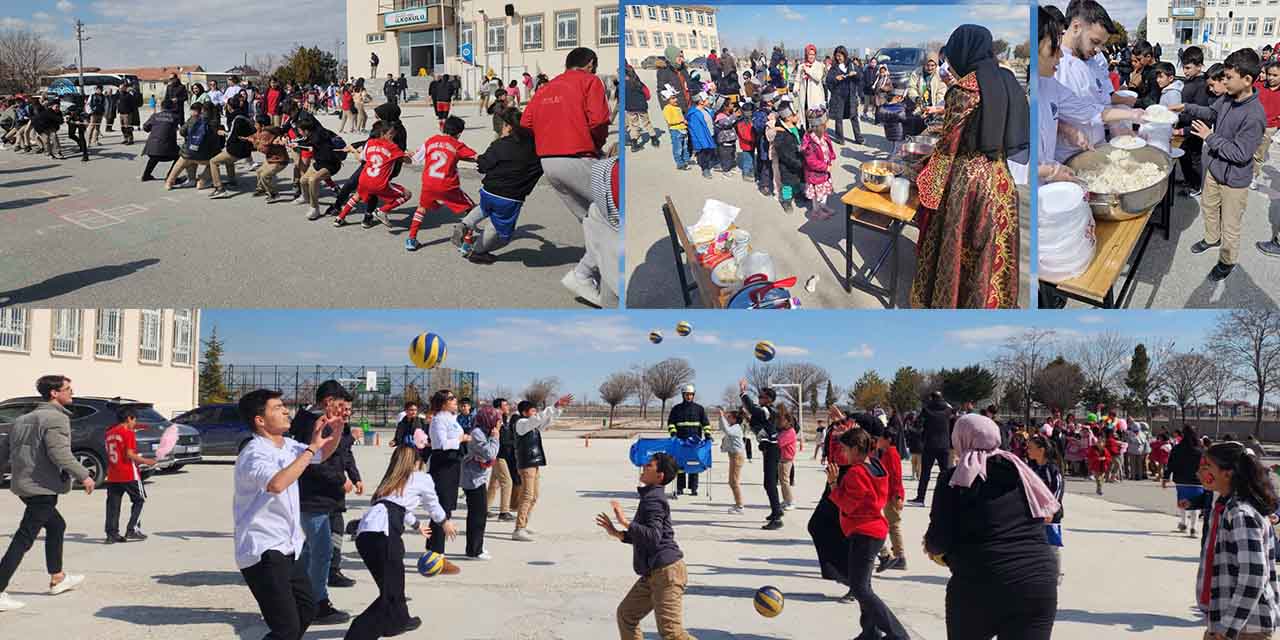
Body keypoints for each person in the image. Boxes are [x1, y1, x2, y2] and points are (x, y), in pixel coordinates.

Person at [912, 24, 1028, 309]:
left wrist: (925, 181)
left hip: (969, 186)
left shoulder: (964, 90)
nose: (951, 66)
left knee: (960, 248)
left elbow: (947, 147)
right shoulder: (1008, 80)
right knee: (994, 250)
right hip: (1002, 180)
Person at [924, 414, 1061, 639]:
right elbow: (1052, 512)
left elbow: (937, 542)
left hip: (980, 582)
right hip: (1038, 582)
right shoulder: (1021, 471)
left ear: (960, 439)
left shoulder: (954, 480)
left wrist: (934, 548)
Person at [233, 389, 341, 639]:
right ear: (260, 420)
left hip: (289, 544)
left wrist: (335, 431)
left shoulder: (289, 445)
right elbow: (276, 484)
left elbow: (321, 455)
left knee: (306, 610)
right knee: (286, 628)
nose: (285, 411)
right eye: (277, 407)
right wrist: (312, 449)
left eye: (284, 406)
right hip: (263, 549)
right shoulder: (254, 453)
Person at [520, 47, 612, 306]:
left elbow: (526, 122)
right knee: (613, 213)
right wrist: (595, 144)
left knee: (590, 218)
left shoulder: (546, 87)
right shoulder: (589, 81)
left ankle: (597, 272)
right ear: (590, 64)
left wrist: (551, 132)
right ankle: (584, 274)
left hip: (549, 163)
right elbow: (599, 121)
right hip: (578, 157)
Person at [1171, 48, 1267, 281]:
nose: (1224, 81)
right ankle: (1212, 238)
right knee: (1209, 207)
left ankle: (1227, 261)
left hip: (1234, 179)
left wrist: (1209, 138)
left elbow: (1241, 154)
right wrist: (1186, 108)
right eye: (1223, 76)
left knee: (1231, 226)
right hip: (1215, 169)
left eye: (1228, 77)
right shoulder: (1228, 97)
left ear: (1247, 80)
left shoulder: (1254, 115)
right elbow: (1211, 113)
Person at [344, 446, 457, 640]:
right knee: (391, 592)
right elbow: (432, 504)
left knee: (392, 585)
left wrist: (417, 525)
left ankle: (398, 621)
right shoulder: (421, 478)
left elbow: (396, 507)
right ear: (416, 462)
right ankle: (357, 635)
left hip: (366, 535)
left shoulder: (390, 480)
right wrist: (444, 521)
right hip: (384, 534)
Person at [0, 375, 92, 612]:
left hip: (24, 485)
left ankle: (58, 577)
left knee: (56, 526)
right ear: (53, 393)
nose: (72, 392)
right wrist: (84, 474)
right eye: (67, 389)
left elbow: (4, 451)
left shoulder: (22, 419)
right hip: (41, 487)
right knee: (24, 538)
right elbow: (60, 453)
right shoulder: (55, 419)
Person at [596, 452, 692, 640]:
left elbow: (653, 537)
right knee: (627, 615)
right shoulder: (651, 497)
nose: (644, 467)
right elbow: (647, 537)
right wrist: (618, 534)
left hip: (667, 573)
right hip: (653, 573)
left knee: (672, 634)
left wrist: (626, 522)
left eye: (649, 465)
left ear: (660, 476)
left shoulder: (654, 500)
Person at [826, 427, 909, 639]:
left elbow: (847, 504)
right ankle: (870, 632)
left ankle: (898, 635)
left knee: (860, 589)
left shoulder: (856, 473)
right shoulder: (875, 464)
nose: (842, 454)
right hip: (873, 530)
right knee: (864, 586)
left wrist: (834, 484)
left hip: (865, 533)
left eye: (845, 449)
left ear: (855, 448)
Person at [287, 381, 356, 626]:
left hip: (320, 497)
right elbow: (314, 462)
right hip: (313, 497)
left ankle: (301, 597)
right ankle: (317, 603)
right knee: (321, 552)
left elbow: (337, 455)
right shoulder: (314, 424)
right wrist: (340, 480)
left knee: (309, 550)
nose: (344, 411)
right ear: (327, 402)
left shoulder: (313, 420)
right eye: (340, 405)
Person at [1196, 441, 1280, 640]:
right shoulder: (1226, 506)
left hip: (1245, 628)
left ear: (1228, 473)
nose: (1202, 471)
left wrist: (1228, 629)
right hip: (1228, 623)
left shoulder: (1241, 513)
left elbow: (1253, 575)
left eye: (1208, 466)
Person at [457, 108, 544, 264]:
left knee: (485, 207)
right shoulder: (535, 146)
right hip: (510, 197)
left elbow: (483, 165)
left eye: (503, 126)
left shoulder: (499, 145)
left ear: (509, 127)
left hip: (488, 190)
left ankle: (466, 223)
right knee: (500, 232)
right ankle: (477, 251)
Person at [406, 115, 477, 251]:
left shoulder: (430, 141)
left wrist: (405, 156)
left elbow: (415, 159)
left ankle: (411, 239)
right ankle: (467, 243)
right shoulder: (457, 145)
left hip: (429, 183)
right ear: (459, 133)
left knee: (422, 208)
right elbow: (474, 157)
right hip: (448, 185)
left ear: (443, 128)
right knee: (472, 210)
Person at [512, 394, 573, 541]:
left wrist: (558, 408)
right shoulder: (521, 423)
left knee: (534, 496)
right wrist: (553, 406)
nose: (535, 413)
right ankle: (518, 529)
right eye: (533, 411)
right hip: (526, 464)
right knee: (527, 496)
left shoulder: (531, 425)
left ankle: (524, 525)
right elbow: (538, 419)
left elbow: (545, 421)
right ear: (525, 412)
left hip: (534, 463)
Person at [333, 121, 414, 228]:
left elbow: (361, 158)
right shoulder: (393, 147)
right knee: (407, 194)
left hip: (365, 178)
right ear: (383, 134)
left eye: (394, 133)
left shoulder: (370, 142)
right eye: (391, 133)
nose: (393, 136)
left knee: (357, 196)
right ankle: (382, 210)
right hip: (379, 182)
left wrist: (353, 150)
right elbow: (409, 161)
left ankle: (339, 218)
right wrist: (406, 155)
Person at [425, 389, 469, 555]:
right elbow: (442, 444)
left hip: (453, 464)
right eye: (451, 398)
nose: (455, 400)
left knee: (447, 506)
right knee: (442, 508)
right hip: (443, 464)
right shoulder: (438, 420)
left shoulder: (452, 418)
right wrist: (460, 439)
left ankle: (432, 548)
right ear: (443, 403)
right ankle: (437, 553)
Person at [103, 407, 156, 544]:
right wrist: (147, 461)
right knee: (139, 499)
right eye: (134, 419)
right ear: (129, 418)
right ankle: (132, 529)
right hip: (129, 473)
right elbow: (130, 454)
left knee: (113, 504)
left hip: (113, 474)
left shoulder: (109, 433)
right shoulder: (128, 433)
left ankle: (111, 533)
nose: (134, 423)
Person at [739, 379, 783, 529]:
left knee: (769, 483)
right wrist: (746, 417)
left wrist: (743, 392)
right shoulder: (765, 411)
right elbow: (754, 422)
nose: (759, 398)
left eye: (761, 397)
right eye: (759, 397)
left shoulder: (768, 410)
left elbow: (753, 409)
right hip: (768, 449)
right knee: (768, 483)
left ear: (769, 399)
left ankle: (777, 518)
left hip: (772, 449)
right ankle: (776, 511)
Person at [461, 406, 501, 560]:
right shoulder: (477, 433)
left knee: (479, 513)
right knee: (477, 515)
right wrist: (495, 437)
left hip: (478, 477)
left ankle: (476, 546)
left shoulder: (483, 431)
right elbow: (490, 453)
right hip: (472, 479)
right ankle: (473, 550)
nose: (498, 423)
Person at [166, 103, 227, 197]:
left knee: (183, 160)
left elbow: (182, 132)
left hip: (189, 153)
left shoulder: (193, 119)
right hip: (206, 156)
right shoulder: (216, 124)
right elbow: (220, 143)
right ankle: (202, 182)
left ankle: (170, 182)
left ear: (201, 110)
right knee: (214, 162)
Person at [909, 391, 954, 506]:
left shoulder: (927, 409)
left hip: (930, 444)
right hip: (944, 445)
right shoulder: (948, 411)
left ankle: (920, 498)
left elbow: (917, 424)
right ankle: (949, 498)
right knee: (945, 473)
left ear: (931, 398)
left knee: (925, 473)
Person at [667, 385, 710, 498]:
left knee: (693, 464)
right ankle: (680, 488)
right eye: (687, 394)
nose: (689, 396)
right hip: (680, 441)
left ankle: (693, 488)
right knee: (680, 465)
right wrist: (673, 433)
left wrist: (707, 434)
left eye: (691, 394)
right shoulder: (676, 409)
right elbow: (671, 423)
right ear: (683, 395)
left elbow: (705, 423)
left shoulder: (699, 409)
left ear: (693, 395)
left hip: (695, 442)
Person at [874, 426, 907, 573]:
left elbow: (896, 477)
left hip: (892, 496)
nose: (878, 441)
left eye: (881, 439)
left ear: (888, 440)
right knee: (891, 526)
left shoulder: (892, 454)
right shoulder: (887, 453)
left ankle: (900, 557)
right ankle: (898, 555)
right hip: (887, 494)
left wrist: (898, 496)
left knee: (893, 526)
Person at [1165, 425, 1206, 536]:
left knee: (1182, 502)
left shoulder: (1177, 448)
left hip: (1181, 480)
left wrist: (1166, 477)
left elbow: (1170, 463)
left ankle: (1183, 524)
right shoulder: (1200, 450)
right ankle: (1193, 528)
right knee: (1195, 505)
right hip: (1197, 481)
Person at [241, 114, 291, 201]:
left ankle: (273, 193)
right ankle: (261, 188)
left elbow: (264, 149)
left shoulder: (266, 133)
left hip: (279, 160)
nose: (255, 125)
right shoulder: (264, 131)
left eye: (256, 123)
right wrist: (248, 138)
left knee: (265, 175)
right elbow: (256, 136)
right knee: (259, 171)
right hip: (272, 159)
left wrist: (254, 143)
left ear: (262, 125)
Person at [801, 107, 836, 219]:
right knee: (816, 194)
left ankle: (823, 206)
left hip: (824, 170)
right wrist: (825, 167)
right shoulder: (809, 142)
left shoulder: (823, 135)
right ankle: (816, 210)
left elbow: (828, 146)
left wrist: (831, 156)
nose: (828, 124)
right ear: (820, 125)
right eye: (826, 122)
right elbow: (811, 161)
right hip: (815, 173)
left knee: (824, 190)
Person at [826, 46, 863, 145]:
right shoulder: (833, 68)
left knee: (854, 117)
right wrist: (835, 78)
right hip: (839, 97)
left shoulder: (851, 65)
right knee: (839, 117)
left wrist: (855, 74)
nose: (838, 58)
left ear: (844, 55)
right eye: (836, 56)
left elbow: (860, 77)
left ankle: (859, 138)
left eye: (840, 56)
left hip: (850, 96)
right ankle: (840, 138)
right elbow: (828, 81)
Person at [486, 399, 517, 521]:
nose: (508, 406)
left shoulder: (504, 418)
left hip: (502, 454)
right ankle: (504, 512)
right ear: (499, 407)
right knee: (507, 482)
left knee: (494, 483)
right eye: (506, 405)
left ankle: (484, 509)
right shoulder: (496, 419)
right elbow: (498, 438)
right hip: (499, 454)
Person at [1252, 60, 1280, 189]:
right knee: (1247, 149)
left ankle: (1253, 176)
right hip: (1253, 124)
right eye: (1269, 74)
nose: (1270, 78)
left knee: (1259, 154)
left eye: (1275, 75)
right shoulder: (1258, 87)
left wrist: (1276, 125)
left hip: (1269, 128)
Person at [773, 102, 804, 213]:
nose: (798, 116)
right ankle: (786, 201)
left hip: (798, 159)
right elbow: (783, 153)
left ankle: (798, 194)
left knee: (798, 180)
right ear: (788, 117)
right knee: (788, 183)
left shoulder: (795, 127)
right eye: (795, 114)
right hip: (788, 164)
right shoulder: (781, 133)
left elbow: (801, 138)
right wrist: (795, 162)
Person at [717, 408, 747, 514]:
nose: (727, 418)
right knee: (731, 481)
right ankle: (738, 504)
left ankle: (740, 506)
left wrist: (722, 416)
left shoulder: (736, 427)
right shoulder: (732, 426)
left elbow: (727, 431)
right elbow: (722, 427)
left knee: (734, 482)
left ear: (735, 419)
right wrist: (721, 417)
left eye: (729, 417)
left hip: (737, 456)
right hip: (733, 455)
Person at [624, 65, 659, 151]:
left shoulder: (623, 84)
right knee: (646, 123)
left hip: (630, 108)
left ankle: (634, 143)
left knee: (633, 125)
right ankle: (654, 139)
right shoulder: (639, 83)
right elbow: (647, 95)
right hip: (641, 106)